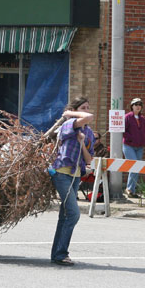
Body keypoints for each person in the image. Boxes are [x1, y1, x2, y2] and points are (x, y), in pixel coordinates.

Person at [49, 97, 95, 266]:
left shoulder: (88, 132)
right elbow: (87, 117)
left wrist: (82, 143)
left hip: (76, 176)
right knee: (74, 214)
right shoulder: (69, 124)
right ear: (76, 110)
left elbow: (89, 158)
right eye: (83, 107)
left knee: (65, 215)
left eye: (88, 107)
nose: (87, 110)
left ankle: (57, 254)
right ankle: (61, 253)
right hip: (62, 173)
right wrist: (69, 114)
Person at [123, 97, 145, 197]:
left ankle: (132, 190)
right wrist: (130, 139)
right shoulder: (127, 117)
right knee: (134, 166)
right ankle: (129, 188)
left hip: (139, 146)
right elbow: (123, 130)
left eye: (139, 105)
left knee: (137, 168)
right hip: (128, 146)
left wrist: (143, 139)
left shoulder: (142, 119)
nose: (138, 106)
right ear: (132, 106)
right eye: (136, 104)